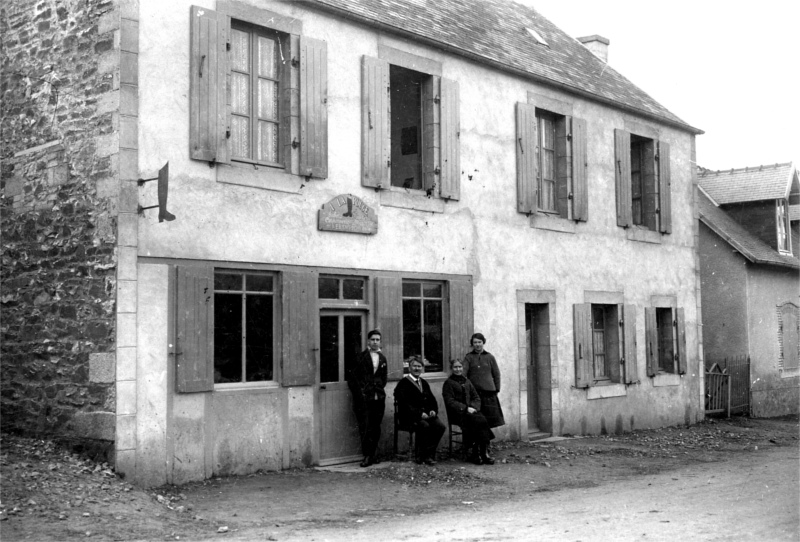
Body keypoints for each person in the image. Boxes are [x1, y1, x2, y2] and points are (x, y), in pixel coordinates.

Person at [347, 329, 388, 468]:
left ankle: (373, 454)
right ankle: (367, 455)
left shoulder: (382, 358)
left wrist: (379, 389)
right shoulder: (360, 357)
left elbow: (384, 378)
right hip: (364, 399)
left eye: (378, 340)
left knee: (376, 427)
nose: (375, 342)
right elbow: (352, 380)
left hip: (378, 398)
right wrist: (361, 394)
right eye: (373, 340)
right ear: (368, 341)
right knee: (365, 427)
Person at [393, 357, 446, 465]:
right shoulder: (403, 383)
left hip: (425, 415)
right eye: (414, 366)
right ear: (409, 368)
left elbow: (432, 399)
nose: (417, 368)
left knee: (440, 426)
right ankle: (420, 456)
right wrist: (419, 413)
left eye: (419, 366)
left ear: (422, 368)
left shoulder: (424, 383)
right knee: (424, 426)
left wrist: (432, 410)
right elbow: (404, 404)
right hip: (408, 417)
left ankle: (428, 454)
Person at [442, 359, 495, 465]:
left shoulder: (467, 381)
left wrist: (473, 407)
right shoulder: (448, 383)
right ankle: (476, 454)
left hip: (471, 412)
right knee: (478, 421)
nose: (458, 369)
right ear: (451, 369)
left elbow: (476, 397)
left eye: (460, 367)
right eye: (455, 367)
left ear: (463, 368)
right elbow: (450, 402)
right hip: (458, 414)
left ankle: (483, 453)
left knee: (481, 420)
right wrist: (466, 408)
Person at [463, 333, 505, 435]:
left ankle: (486, 445)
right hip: (475, 394)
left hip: (489, 393)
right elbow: (464, 374)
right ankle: (477, 445)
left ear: (483, 342)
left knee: (488, 420)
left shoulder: (490, 357)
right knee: (477, 420)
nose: (477, 344)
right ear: (472, 344)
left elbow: (497, 374)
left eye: (479, 342)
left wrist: (497, 389)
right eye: (475, 342)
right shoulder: (468, 357)